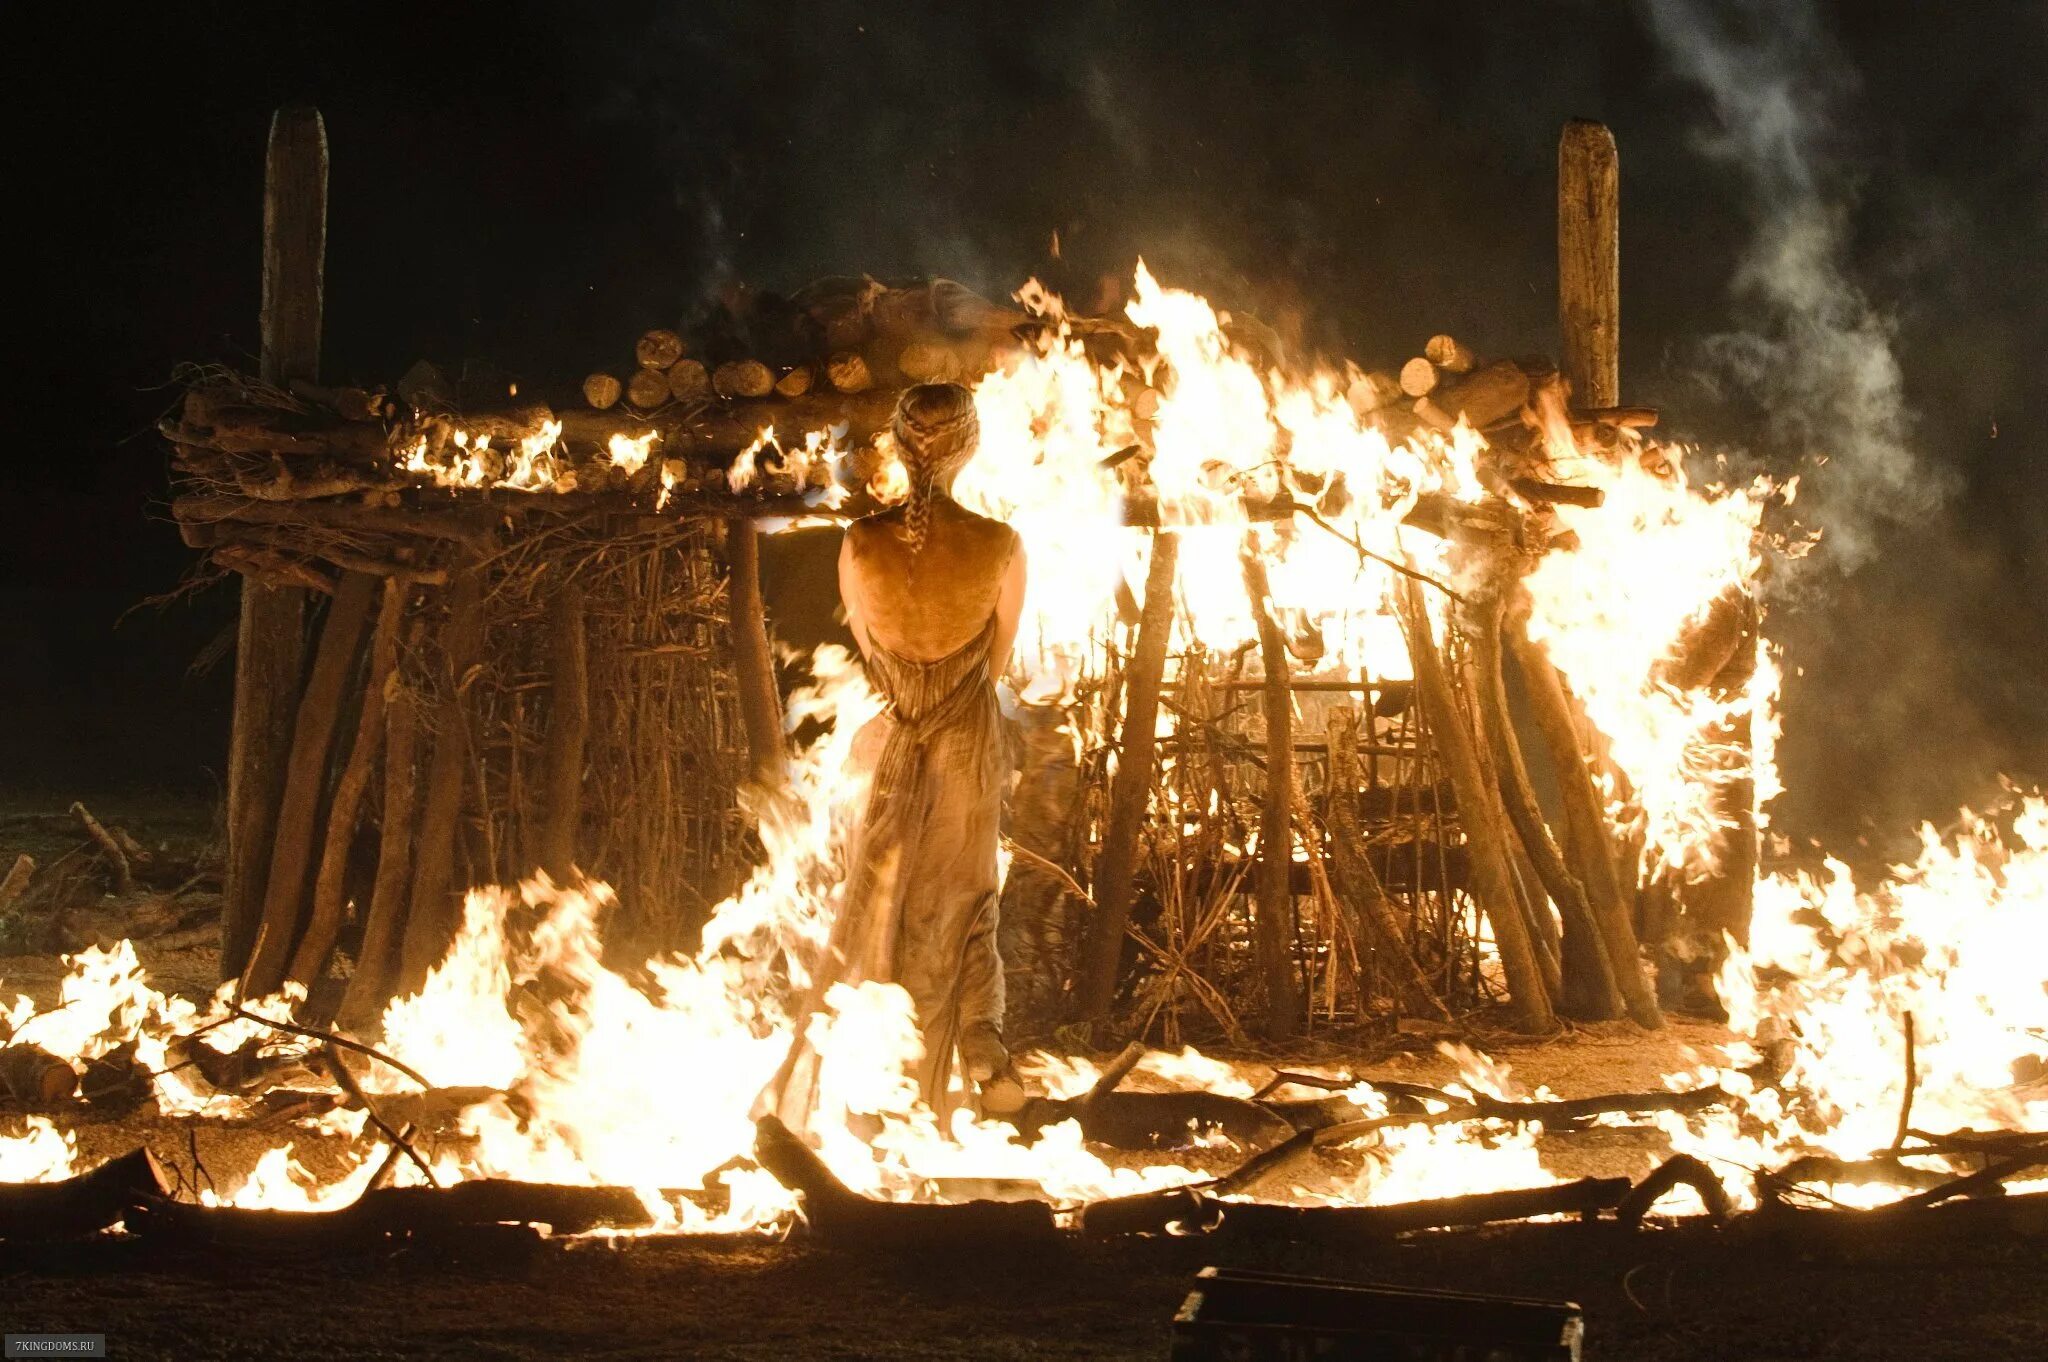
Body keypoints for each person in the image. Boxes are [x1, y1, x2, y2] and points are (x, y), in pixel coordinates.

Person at [768, 382, 1027, 1129]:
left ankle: (867, 1093)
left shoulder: (859, 542)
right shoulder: (1001, 544)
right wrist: (949, 706)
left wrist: (911, 700)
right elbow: (996, 661)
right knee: (964, 901)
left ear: (899, 445)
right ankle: (973, 1050)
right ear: (969, 446)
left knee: (875, 900)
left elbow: (870, 646)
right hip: (965, 733)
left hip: (889, 733)